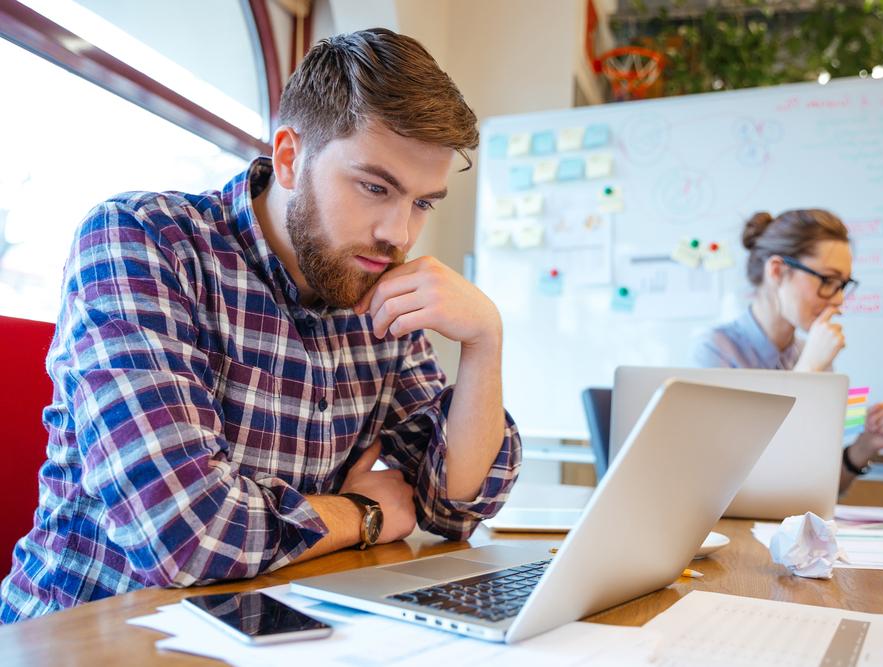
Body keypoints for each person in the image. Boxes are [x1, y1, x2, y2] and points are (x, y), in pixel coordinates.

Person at [0, 29, 521, 623]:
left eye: (423, 202)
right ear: (291, 158)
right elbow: (189, 537)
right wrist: (361, 514)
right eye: (375, 187)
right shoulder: (143, 242)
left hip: (269, 628)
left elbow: (452, 507)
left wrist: (485, 342)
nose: (397, 233)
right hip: (88, 634)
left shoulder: (375, 282)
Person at [693, 208, 883, 493]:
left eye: (843, 285)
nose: (839, 301)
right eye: (828, 281)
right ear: (778, 271)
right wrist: (808, 370)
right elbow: (735, 483)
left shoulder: (811, 354)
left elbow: (818, 488)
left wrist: (865, 445)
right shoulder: (715, 350)